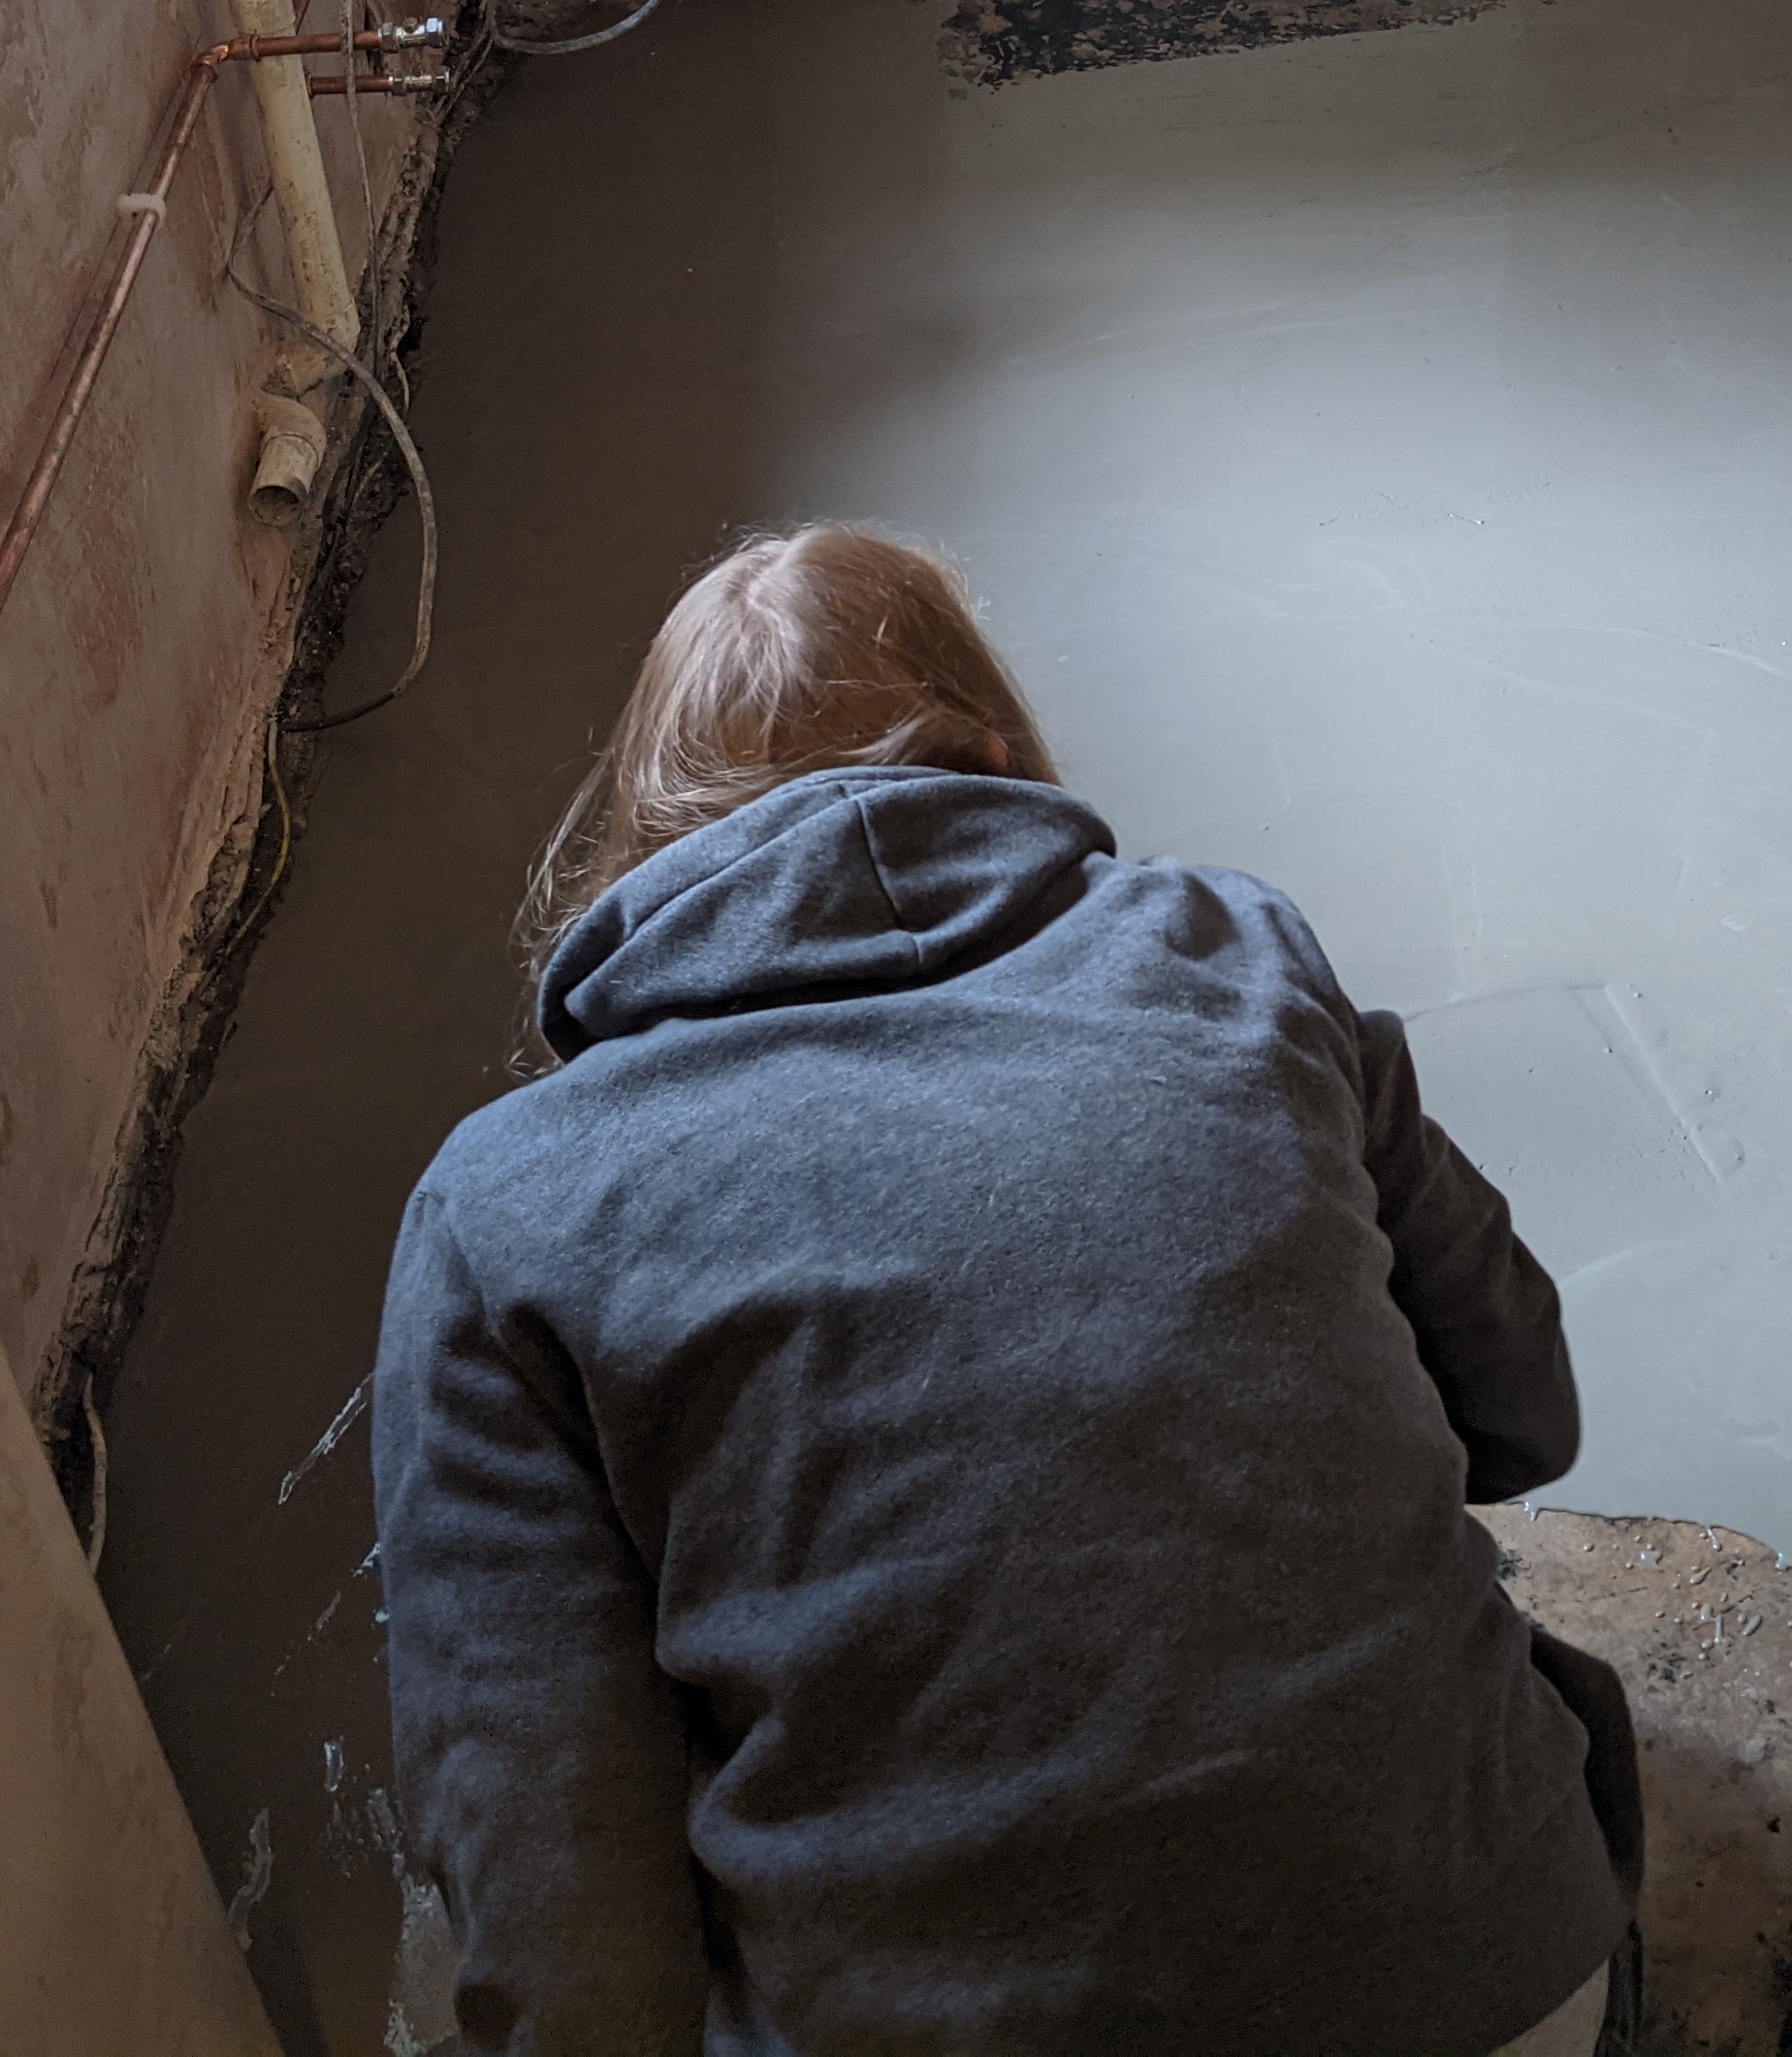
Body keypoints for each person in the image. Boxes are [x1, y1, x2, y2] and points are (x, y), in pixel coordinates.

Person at [372, 524, 1639, 2056]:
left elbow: (549, 1867)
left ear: (645, 848)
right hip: (1500, 1977)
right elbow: (1521, 1411)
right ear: (988, 759)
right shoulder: (1236, 953)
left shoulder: (503, 1200)